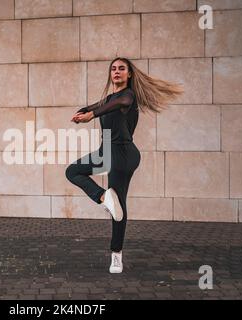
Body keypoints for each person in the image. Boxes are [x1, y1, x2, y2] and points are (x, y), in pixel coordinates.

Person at [65, 57, 183, 273]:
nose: (116, 72)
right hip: (106, 153)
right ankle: (103, 196)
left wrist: (91, 114)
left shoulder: (128, 96)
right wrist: (81, 112)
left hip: (122, 154)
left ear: (129, 74)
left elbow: (118, 104)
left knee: (118, 208)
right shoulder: (109, 99)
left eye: (121, 69)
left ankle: (116, 255)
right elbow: (97, 106)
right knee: (73, 171)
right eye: (113, 69)